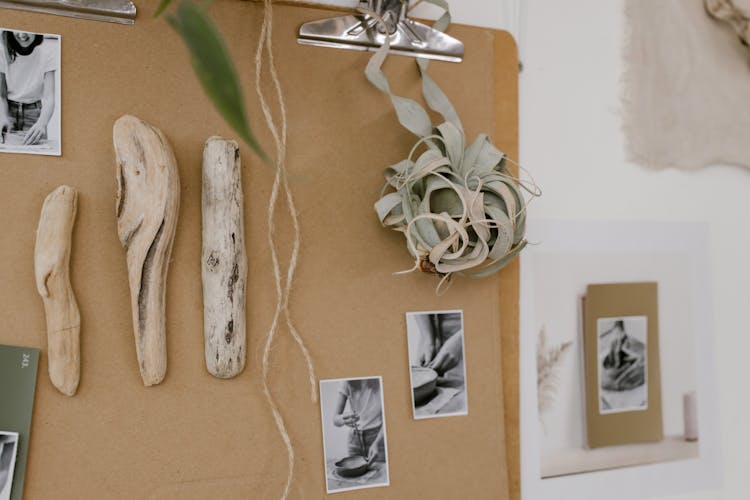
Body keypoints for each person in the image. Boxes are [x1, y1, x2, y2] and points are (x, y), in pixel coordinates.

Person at [0, 30, 56, 146]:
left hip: (35, 113)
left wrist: (42, 123)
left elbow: (49, 97)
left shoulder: (47, 52)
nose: (22, 35)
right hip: (7, 110)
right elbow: (1, 95)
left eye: (27, 31)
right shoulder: (2, 51)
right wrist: (3, 117)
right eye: (17, 31)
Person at [332, 379, 386, 462]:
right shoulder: (346, 382)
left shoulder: (380, 380)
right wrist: (344, 419)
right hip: (354, 440)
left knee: (380, 473)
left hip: (378, 437)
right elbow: (335, 419)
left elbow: (388, 419)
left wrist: (377, 443)